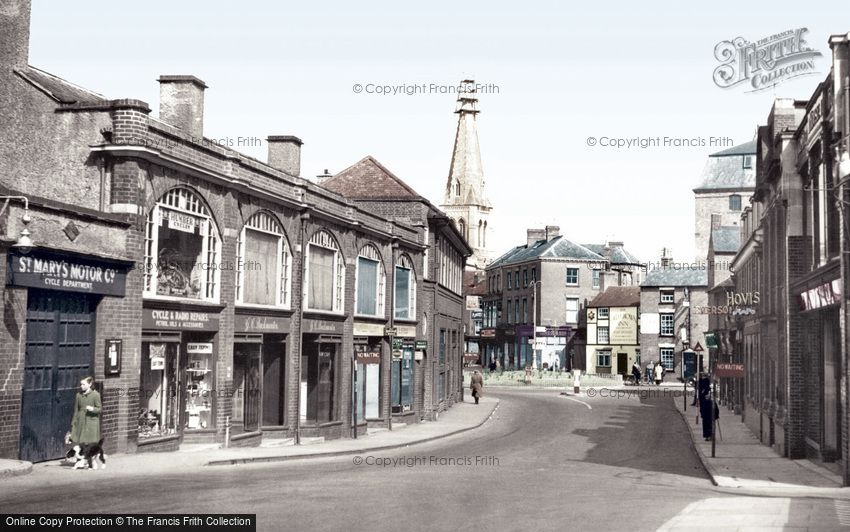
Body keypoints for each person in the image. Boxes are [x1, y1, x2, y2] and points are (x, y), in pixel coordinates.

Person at [69, 376, 102, 455]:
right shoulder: (78, 395)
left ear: (90, 384)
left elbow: (99, 409)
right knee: (81, 441)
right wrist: (74, 422)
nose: (81, 386)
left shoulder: (95, 395)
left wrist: (92, 409)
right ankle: (82, 459)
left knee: (90, 443)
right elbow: (76, 410)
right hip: (81, 420)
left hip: (91, 422)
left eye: (84, 384)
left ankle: (90, 460)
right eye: (81, 384)